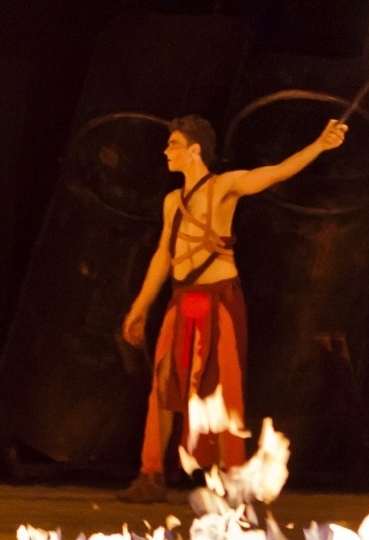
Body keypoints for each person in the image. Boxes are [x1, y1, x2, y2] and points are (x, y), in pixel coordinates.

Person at [118, 114, 345, 502]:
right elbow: (163, 255)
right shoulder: (172, 201)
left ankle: (232, 480)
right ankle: (151, 475)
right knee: (163, 384)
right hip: (181, 299)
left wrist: (319, 145)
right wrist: (139, 307)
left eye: (173, 144)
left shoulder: (223, 187)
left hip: (217, 299)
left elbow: (273, 173)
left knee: (224, 390)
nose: (165, 151)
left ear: (194, 150)